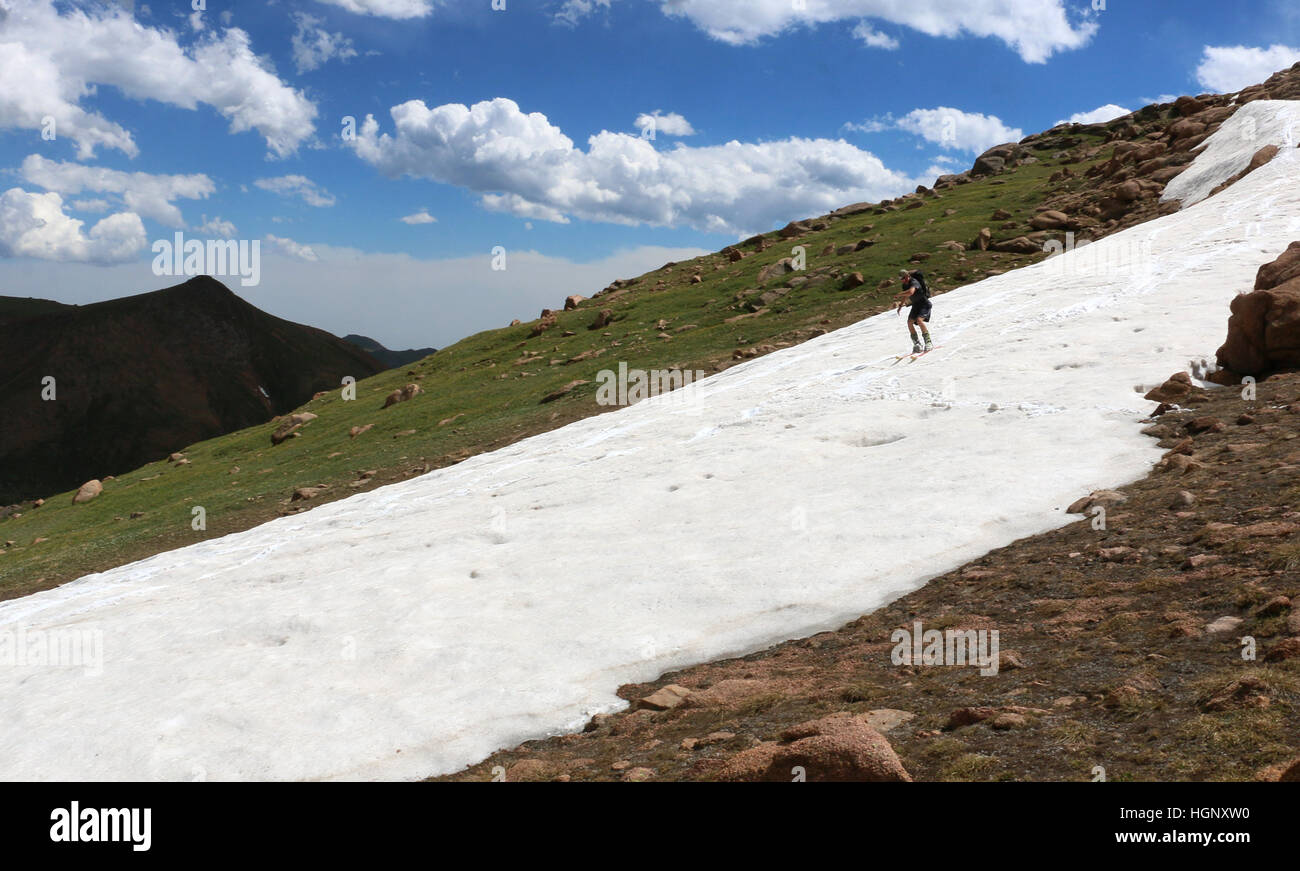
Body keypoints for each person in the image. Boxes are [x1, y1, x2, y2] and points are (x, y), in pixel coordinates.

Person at [893, 268, 933, 354]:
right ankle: (917, 344)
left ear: (907, 276)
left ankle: (928, 342)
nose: (902, 280)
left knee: (919, 320)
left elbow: (911, 292)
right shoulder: (905, 284)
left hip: (924, 304)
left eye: (903, 278)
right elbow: (905, 295)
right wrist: (900, 305)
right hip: (916, 305)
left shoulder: (914, 282)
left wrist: (899, 294)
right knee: (909, 322)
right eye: (901, 279)